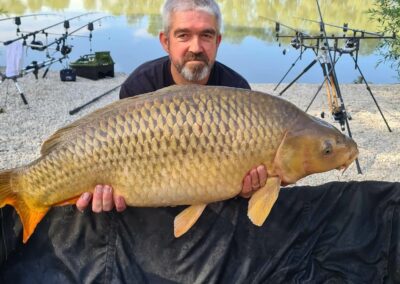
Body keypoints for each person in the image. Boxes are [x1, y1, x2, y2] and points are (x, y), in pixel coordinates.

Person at [75, 0, 268, 213]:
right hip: (151, 209)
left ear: (218, 41)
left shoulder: (238, 91)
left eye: (206, 35)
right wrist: (104, 193)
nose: (196, 48)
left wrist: (247, 189)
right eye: (183, 35)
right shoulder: (140, 86)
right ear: (165, 41)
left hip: (213, 208)